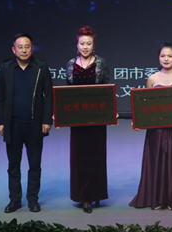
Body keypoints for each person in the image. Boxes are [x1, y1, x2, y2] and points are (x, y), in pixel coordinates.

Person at [130, 43, 172, 211]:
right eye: (163, 56)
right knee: (156, 162)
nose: (166, 59)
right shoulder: (152, 79)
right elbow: (145, 105)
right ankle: (157, 198)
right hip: (156, 130)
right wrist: (139, 121)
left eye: (170, 56)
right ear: (159, 58)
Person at [0, 33, 53, 213]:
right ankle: (15, 200)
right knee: (13, 166)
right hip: (12, 125)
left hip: (35, 125)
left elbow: (49, 95)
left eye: (27, 47)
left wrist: (46, 120)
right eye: (20, 47)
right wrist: (1, 122)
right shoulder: (5, 68)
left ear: (32, 49)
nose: (24, 50)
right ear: (14, 50)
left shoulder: (41, 67)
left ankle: (33, 200)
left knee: (34, 165)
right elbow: (0, 97)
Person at [66, 26, 110, 214]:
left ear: (94, 45)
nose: (85, 47)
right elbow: (67, 92)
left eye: (88, 43)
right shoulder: (70, 64)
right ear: (77, 45)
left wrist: (111, 111)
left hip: (97, 118)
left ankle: (96, 194)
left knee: (96, 156)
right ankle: (83, 197)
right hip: (77, 119)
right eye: (82, 43)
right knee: (80, 157)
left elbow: (107, 88)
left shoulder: (101, 63)